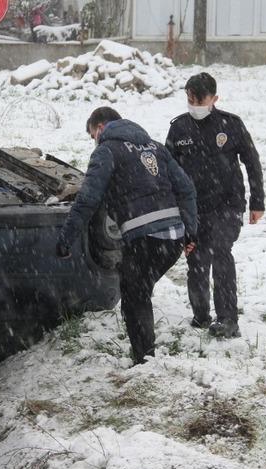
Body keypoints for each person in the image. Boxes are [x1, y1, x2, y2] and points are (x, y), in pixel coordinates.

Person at [57, 107, 198, 365]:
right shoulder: (155, 147)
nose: (95, 141)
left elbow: (88, 199)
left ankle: (144, 360)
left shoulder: (107, 151)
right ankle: (144, 354)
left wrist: (66, 238)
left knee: (135, 296)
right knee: (138, 290)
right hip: (173, 239)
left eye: (93, 135)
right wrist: (190, 232)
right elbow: (187, 188)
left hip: (145, 238)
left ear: (100, 127)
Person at [165, 72, 265, 339]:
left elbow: (252, 162)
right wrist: (173, 210)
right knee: (196, 259)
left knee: (221, 254)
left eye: (200, 100)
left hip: (227, 204)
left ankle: (228, 319)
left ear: (214, 98)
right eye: (190, 99)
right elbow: (168, 171)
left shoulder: (231, 125)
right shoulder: (179, 128)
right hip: (194, 208)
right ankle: (200, 315)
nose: (194, 104)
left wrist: (257, 202)